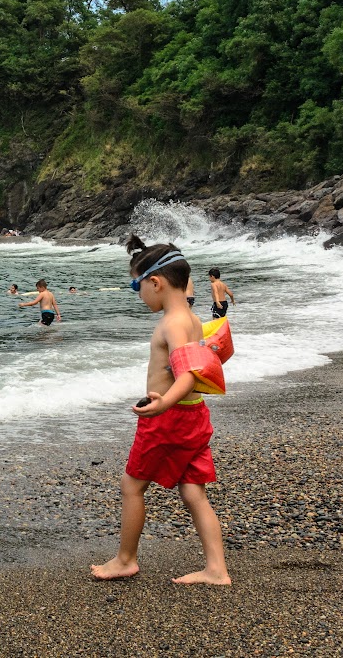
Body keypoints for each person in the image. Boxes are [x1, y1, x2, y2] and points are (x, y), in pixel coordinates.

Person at [91, 235, 230, 586]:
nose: (138, 294)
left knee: (132, 486)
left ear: (156, 282)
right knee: (192, 489)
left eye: (135, 285)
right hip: (195, 414)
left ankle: (125, 560)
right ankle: (216, 569)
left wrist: (163, 404)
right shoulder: (193, 319)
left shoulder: (171, 324)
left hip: (169, 418)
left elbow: (187, 374)